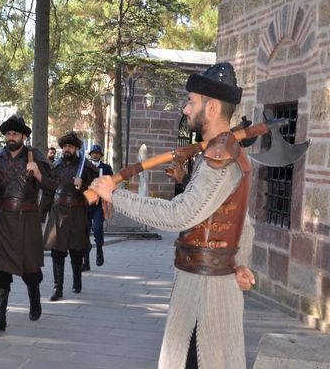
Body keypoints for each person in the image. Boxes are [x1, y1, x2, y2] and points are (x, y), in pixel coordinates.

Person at [89, 62, 256, 369]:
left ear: (212, 107)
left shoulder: (220, 157)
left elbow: (180, 215)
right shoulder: (228, 152)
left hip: (205, 291)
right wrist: (242, 261)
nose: (185, 108)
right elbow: (245, 223)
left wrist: (116, 195)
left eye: (191, 101)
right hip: (208, 281)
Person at [0, 115, 52, 338]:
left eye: (14, 134)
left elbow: (54, 186)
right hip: (3, 220)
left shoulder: (36, 157)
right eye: (7, 134)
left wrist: (38, 174)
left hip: (27, 220)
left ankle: (34, 299)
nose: (10, 138)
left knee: (30, 271)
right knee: (2, 270)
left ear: (24, 136)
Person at [40, 132, 98, 301]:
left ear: (77, 148)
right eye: (65, 146)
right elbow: (47, 192)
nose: (67, 149)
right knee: (57, 252)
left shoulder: (87, 168)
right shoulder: (55, 167)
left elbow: (94, 196)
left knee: (76, 251)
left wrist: (82, 187)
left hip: (78, 213)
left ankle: (77, 281)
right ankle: (58, 288)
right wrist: (41, 215)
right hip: (58, 213)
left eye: (70, 147)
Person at [83, 144, 113, 271]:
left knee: (97, 229)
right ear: (90, 155)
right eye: (93, 153)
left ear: (101, 155)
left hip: (98, 204)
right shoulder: (84, 166)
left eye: (97, 153)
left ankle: (99, 248)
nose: (95, 155)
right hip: (85, 203)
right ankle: (86, 262)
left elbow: (111, 183)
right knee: (84, 234)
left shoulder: (106, 168)